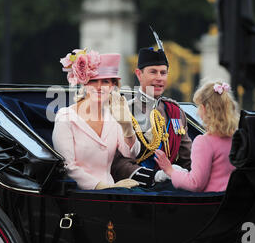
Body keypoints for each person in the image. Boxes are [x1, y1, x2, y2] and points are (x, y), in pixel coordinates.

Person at [52, 48, 140, 190]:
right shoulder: (66, 117)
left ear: (112, 86)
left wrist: (126, 126)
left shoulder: (114, 117)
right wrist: (102, 187)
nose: (99, 87)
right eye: (93, 81)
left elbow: (131, 154)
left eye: (105, 81)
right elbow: (67, 166)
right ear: (84, 84)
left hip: (111, 194)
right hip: (79, 195)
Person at [110, 46, 192, 184]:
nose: (159, 78)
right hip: (137, 190)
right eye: (153, 72)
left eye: (163, 73)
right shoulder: (125, 111)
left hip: (172, 189)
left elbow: (187, 158)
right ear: (139, 74)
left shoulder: (175, 112)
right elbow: (118, 163)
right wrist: (155, 176)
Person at [154, 81, 240, 192]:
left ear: (204, 109)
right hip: (228, 199)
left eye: (199, 107)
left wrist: (170, 170)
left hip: (208, 203)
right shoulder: (236, 137)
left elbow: (195, 184)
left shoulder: (204, 142)